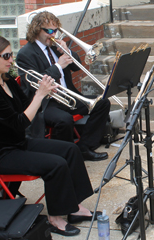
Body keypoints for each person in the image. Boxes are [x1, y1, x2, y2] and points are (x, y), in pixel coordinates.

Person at [0, 35, 101, 236]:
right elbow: (20, 122)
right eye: (6, 56)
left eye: (11, 54)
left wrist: (46, 92)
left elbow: (27, 108)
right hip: (2, 154)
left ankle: (74, 208)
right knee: (55, 164)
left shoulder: (8, 82)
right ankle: (55, 218)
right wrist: (40, 95)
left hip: (19, 143)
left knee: (71, 149)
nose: (11, 60)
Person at [16, 11, 110, 161]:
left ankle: (84, 147)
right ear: (36, 30)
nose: (53, 34)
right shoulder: (25, 54)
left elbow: (76, 67)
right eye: (49, 31)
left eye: (56, 30)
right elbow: (36, 83)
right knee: (64, 119)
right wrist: (58, 66)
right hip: (46, 103)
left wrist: (69, 52)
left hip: (68, 96)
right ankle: (63, 156)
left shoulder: (54, 47)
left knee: (103, 103)